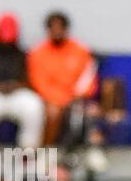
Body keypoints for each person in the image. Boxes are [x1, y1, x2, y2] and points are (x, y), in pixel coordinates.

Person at [0, 13, 45, 147]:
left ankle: (28, 150)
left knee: (34, 104)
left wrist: (15, 86)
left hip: (16, 95)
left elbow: (29, 80)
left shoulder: (23, 55)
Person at [27, 11, 97, 145]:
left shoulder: (81, 51)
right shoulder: (38, 52)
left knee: (90, 112)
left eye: (60, 28)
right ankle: (45, 150)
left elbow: (88, 79)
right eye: (53, 28)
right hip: (49, 101)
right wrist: (58, 101)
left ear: (66, 29)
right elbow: (38, 82)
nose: (56, 31)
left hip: (76, 99)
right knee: (52, 112)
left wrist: (72, 98)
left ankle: (85, 154)